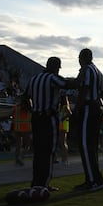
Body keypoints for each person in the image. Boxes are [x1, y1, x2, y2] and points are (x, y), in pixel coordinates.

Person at [22, 57, 75, 196]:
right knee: (49, 150)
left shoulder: (34, 79)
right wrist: (79, 80)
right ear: (55, 67)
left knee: (38, 151)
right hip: (48, 117)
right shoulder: (52, 78)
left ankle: (36, 182)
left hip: (36, 117)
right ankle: (44, 183)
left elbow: (24, 97)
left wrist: (33, 109)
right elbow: (66, 84)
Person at [72, 48, 103, 191]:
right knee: (92, 145)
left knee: (85, 145)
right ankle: (95, 178)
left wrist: (77, 109)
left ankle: (92, 180)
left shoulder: (87, 70)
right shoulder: (99, 72)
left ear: (82, 58)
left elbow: (84, 90)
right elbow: (102, 93)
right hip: (96, 108)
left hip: (88, 107)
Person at [12, 95, 31, 166]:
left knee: (18, 145)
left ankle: (17, 159)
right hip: (25, 128)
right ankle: (21, 156)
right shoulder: (28, 109)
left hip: (16, 127)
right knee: (28, 144)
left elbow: (12, 115)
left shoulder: (16, 107)